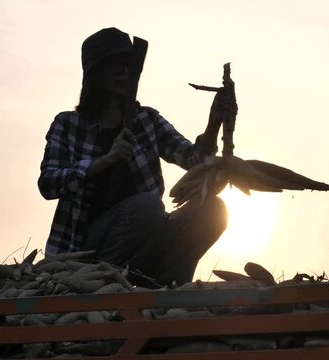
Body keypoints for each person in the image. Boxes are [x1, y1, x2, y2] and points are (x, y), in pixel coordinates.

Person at [38, 27, 228, 287]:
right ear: (95, 74)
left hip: (145, 243)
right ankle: (105, 285)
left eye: (127, 65)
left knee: (213, 210)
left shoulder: (146, 120)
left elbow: (194, 160)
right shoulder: (68, 125)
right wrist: (102, 163)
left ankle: (164, 287)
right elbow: (48, 182)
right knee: (147, 206)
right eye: (113, 65)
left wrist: (213, 123)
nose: (122, 71)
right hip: (86, 255)